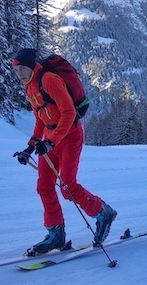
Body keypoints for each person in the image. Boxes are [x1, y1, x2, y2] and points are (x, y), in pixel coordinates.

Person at [12, 48, 117, 256]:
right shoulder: (30, 87)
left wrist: (50, 142)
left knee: (68, 187)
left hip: (70, 136)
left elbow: (69, 112)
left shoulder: (49, 80)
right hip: (51, 139)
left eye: (22, 68)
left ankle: (104, 213)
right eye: (16, 70)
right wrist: (30, 147)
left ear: (31, 66)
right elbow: (41, 118)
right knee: (44, 186)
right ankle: (55, 235)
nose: (19, 73)